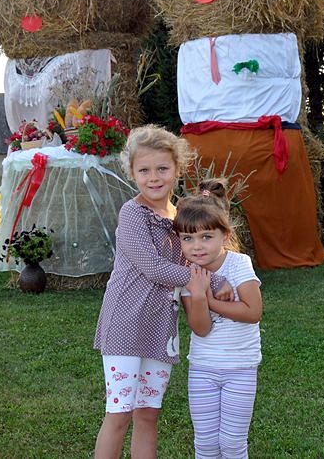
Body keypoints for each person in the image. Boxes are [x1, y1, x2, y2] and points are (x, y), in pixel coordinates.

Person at [93, 125, 233, 459]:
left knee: (148, 413)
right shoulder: (132, 214)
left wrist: (227, 274)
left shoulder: (180, 216)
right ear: (132, 173)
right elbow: (154, 268)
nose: (154, 177)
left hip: (160, 330)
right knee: (120, 412)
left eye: (162, 169)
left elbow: (205, 252)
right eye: (144, 170)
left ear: (177, 169)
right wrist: (212, 282)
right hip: (125, 325)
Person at [175, 179, 263, 459]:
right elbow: (201, 329)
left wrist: (209, 300)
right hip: (203, 369)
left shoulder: (240, 264)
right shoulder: (187, 274)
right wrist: (198, 296)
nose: (196, 247)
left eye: (206, 237)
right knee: (207, 444)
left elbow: (252, 312)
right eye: (188, 238)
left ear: (224, 235)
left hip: (241, 369)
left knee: (232, 444)